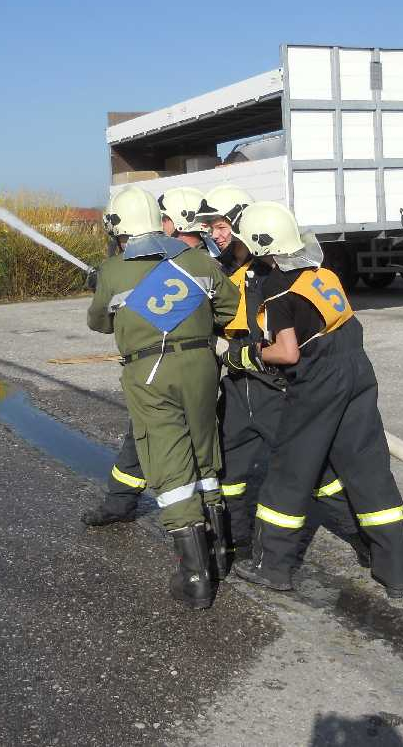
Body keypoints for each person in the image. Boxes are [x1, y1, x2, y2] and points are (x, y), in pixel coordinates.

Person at [230, 201, 403, 599]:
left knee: (290, 470)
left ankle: (272, 566)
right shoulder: (321, 272)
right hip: (357, 369)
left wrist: (249, 355)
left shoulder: (279, 289)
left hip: (319, 380)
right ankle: (394, 570)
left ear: (261, 244)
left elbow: (287, 352)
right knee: (368, 468)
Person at [197, 186, 368, 574]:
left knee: (315, 472)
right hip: (237, 389)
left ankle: (362, 539)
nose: (216, 235)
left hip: (274, 387)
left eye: (221, 226)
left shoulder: (272, 272)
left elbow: (285, 337)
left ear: (241, 225)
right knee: (229, 473)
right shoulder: (219, 271)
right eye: (211, 228)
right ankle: (236, 544)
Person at [87, 186, 240, 609]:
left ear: (119, 229)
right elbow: (229, 308)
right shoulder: (197, 260)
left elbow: (99, 322)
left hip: (150, 373)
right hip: (202, 368)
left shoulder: (113, 270)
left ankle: (195, 578)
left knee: (171, 465)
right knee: (205, 456)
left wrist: (101, 285)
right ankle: (220, 553)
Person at [81, 186, 212, 528]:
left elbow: (108, 319)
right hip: (186, 370)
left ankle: (196, 532)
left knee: (181, 455)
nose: (162, 225)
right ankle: (121, 501)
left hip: (168, 371)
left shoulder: (187, 259)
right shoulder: (191, 258)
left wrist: (111, 285)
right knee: (145, 439)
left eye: (166, 218)